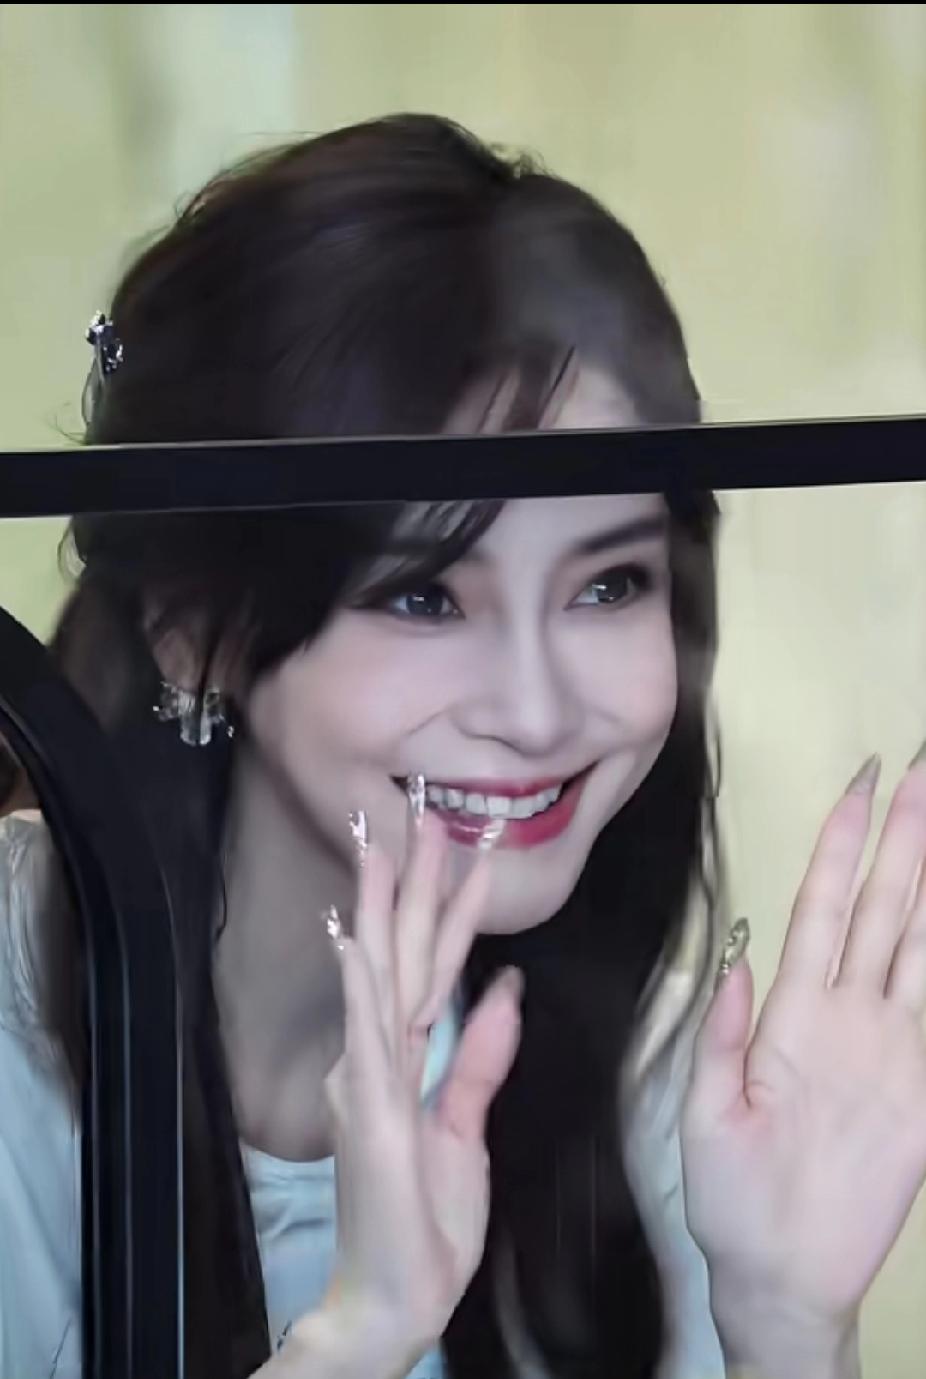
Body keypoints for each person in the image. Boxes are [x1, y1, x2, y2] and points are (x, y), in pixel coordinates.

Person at [1, 113, 925, 1379]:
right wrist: (361, 1332)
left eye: (608, 584)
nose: (536, 712)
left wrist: (787, 1325)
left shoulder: (657, 1085)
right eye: (426, 595)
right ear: (193, 627)